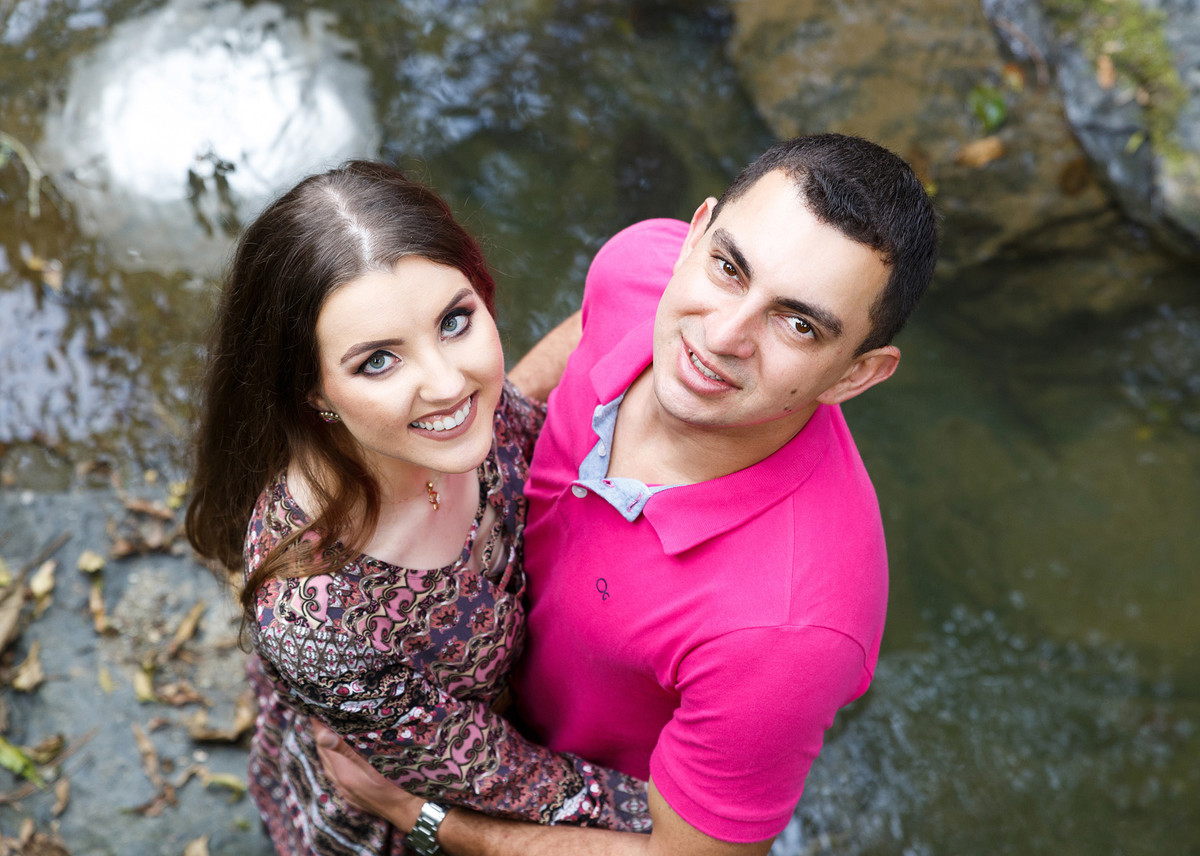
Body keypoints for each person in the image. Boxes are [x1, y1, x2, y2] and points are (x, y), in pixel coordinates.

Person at [315, 133, 940, 854]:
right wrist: (482, 425)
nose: (721, 334)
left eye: (798, 323)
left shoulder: (786, 635)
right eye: (730, 267)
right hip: (463, 676)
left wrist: (426, 820)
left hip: (567, 804)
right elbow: (595, 320)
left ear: (854, 376)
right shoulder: (645, 266)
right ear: (696, 234)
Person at [184, 160, 651, 856]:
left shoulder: (475, 424)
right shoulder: (316, 610)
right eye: (378, 360)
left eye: (456, 320)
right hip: (423, 805)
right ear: (311, 392)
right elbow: (491, 772)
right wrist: (664, 817)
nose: (446, 382)